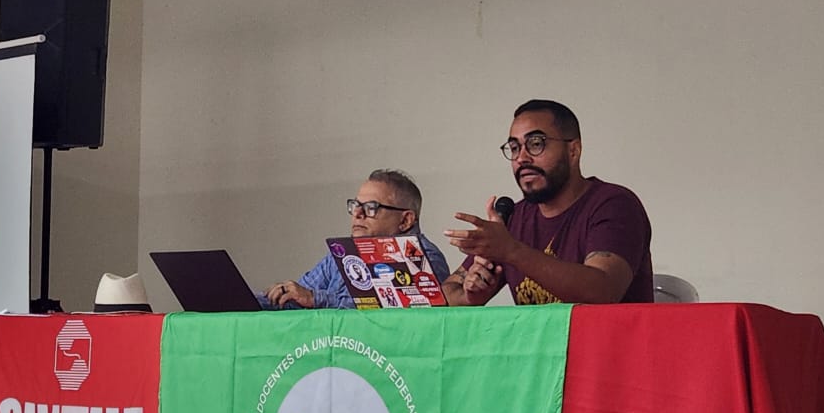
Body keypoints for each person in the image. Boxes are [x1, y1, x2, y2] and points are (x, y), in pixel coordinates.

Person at [442, 99, 653, 305]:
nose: (521, 158)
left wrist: (511, 251)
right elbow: (445, 294)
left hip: (606, 331)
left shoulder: (613, 204)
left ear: (573, 150)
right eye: (514, 147)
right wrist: (470, 296)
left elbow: (602, 291)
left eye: (536, 144)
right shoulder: (514, 219)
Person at [265, 169, 451, 309]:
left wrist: (315, 298)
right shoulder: (341, 253)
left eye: (371, 207)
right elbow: (297, 297)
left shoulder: (424, 257)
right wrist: (269, 298)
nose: (357, 213)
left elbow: (388, 309)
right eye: (355, 205)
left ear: (405, 220)